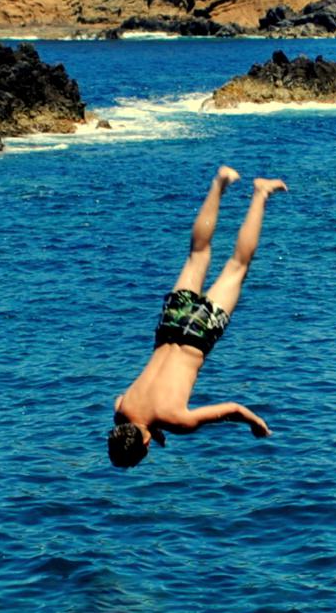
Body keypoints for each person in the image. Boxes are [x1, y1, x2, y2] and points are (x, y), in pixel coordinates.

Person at [109, 166, 284, 468]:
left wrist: (255, 423)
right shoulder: (123, 408)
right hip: (169, 326)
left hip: (198, 336)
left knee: (237, 266)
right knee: (197, 254)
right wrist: (149, 426)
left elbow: (233, 409)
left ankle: (260, 193)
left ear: (147, 443)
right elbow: (127, 407)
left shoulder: (178, 421)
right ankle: (220, 182)